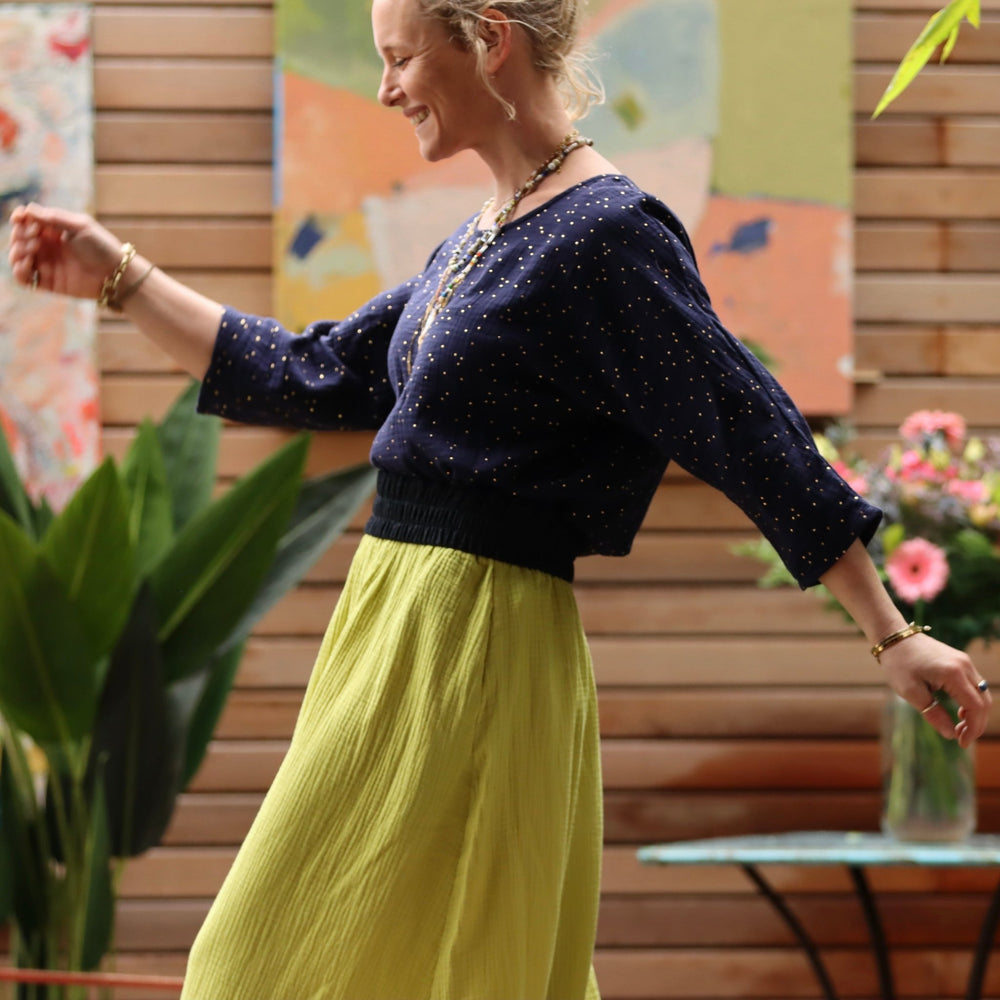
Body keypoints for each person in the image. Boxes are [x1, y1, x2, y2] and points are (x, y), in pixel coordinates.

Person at [7, 0, 992, 996]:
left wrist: (891, 633)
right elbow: (312, 373)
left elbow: (746, 426)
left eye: (400, 58)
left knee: (297, 964)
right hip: (391, 624)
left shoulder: (607, 234)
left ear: (488, 38)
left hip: (476, 635)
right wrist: (117, 275)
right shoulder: (485, 233)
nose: (385, 89)